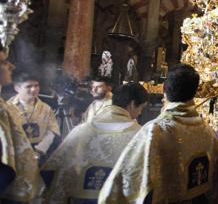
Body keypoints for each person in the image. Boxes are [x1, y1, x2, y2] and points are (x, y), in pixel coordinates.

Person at [99, 64, 218, 203]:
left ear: (164, 89)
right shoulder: (207, 131)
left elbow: (124, 184)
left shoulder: (155, 131)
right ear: (195, 92)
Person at [42, 82, 149, 203]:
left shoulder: (81, 130)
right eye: (141, 108)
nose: (139, 113)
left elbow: (52, 171)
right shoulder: (140, 135)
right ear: (132, 104)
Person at [0, 51, 44, 202]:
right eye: (4, 62)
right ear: (17, 87)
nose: (11, 66)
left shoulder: (4, 107)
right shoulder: (6, 108)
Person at [8, 69, 60, 159]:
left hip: (40, 150)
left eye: (36, 85)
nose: (34, 89)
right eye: (28, 86)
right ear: (17, 88)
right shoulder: (8, 107)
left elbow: (52, 130)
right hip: (15, 153)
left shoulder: (46, 108)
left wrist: (39, 150)